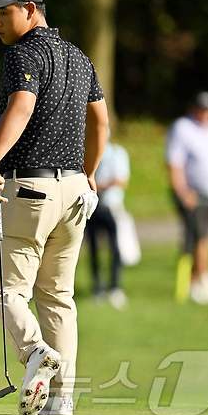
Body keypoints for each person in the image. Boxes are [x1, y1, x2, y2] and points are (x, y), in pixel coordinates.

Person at [0, 0, 109, 415]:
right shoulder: (79, 55)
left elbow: (22, 104)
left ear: (30, 10)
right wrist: (89, 173)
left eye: (4, 11)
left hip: (29, 188)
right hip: (74, 191)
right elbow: (101, 121)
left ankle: (36, 353)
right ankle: (61, 398)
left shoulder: (24, 53)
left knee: (4, 291)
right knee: (57, 296)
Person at [166, 91, 208, 305]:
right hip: (192, 193)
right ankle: (200, 279)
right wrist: (183, 192)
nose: (206, 114)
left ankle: (194, 280)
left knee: (202, 237)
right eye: (202, 109)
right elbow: (175, 163)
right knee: (200, 238)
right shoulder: (183, 128)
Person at [85, 132, 130, 309]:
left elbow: (120, 180)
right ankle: (97, 287)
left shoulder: (117, 153)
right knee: (94, 248)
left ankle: (115, 286)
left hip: (111, 206)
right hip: (93, 206)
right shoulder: (87, 152)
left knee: (115, 248)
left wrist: (99, 185)